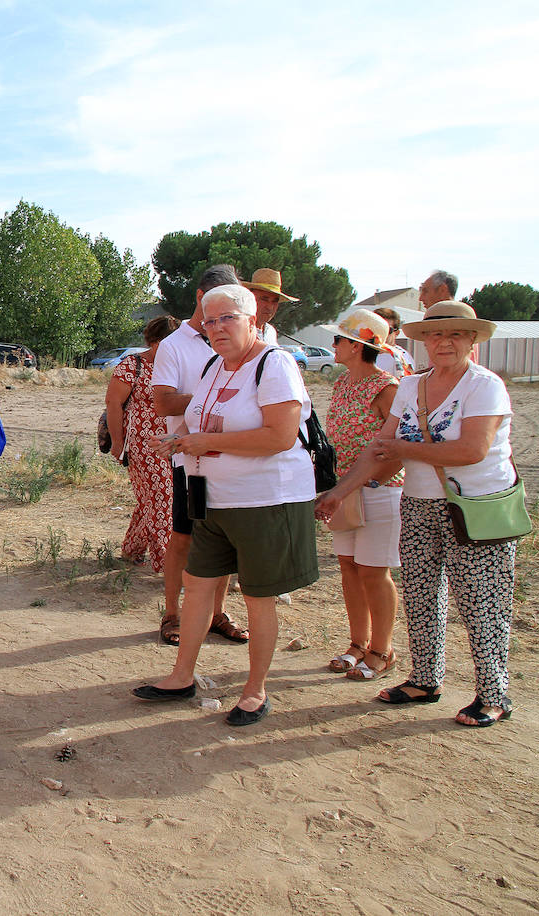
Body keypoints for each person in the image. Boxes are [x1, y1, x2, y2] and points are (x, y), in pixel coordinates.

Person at [318, 301, 517, 727]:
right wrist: (340, 492)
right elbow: (379, 448)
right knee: (422, 594)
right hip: (420, 504)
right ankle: (425, 680)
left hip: (477, 507)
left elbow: (471, 450)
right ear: (423, 340)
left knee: (481, 602)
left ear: (471, 340)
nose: (444, 342)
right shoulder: (412, 387)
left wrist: (405, 450)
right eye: (435, 335)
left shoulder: (485, 386)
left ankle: (493, 695)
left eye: (456, 335)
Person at [133, 284, 319, 726]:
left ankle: (255, 691)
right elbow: (203, 420)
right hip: (214, 499)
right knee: (197, 586)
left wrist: (203, 441)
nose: (217, 328)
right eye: (210, 319)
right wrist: (180, 442)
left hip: (266, 502)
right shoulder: (216, 366)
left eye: (228, 318)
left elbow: (280, 436)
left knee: (258, 599)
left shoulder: (275, 365)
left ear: (254, 320)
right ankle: (182, 675)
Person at [151, 264, 250, 646]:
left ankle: (216, 613)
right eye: (217, 308)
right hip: (190, 462)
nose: (222, 319)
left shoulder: (241, 343)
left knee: (223, 539)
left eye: (232, 310)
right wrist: (209, 400)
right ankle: (173, 614)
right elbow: (162, 403)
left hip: (231, 459)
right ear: (199, 298)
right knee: (184, 537)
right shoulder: (175, 345)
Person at [316, 310, 402, 679]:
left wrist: (369, 482)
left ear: (356, 346)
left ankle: (382, 650)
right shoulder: (343, 384)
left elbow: (398, 448)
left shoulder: (388, 388)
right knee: (350, 569)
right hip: (344, 491)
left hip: (379, 492)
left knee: (373, 571)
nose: (333, 345)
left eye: (338, 340)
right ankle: (357, 643)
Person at [106, 315, 180, 572]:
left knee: (152, 499)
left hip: (173, 444)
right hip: (142, 446)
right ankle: (168, 565)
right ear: (155, 341)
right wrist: (117, 442)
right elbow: (113, 404)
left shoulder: (174, 367)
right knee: (162, 500)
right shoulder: (132, 366)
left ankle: (132, 550)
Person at [241, 268, 296, 346]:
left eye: (275, 301)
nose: (270, 307)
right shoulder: (238, 330)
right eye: (264, 299)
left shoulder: (270, 332)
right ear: (250, 298)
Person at [373, 306, 415, 377]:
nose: (381, 333)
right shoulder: (361, 353)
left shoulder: (401, 357)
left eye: (387, 330)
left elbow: (406, 385)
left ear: (397, 333)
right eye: (377, 328)